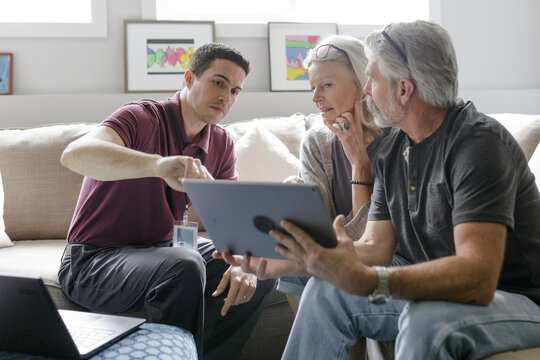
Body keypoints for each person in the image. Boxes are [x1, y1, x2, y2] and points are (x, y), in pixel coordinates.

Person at [221, 21, 540, 359]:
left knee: (426, 320)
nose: (367, 90)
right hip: (440, 293)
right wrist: (283, 263)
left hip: (515, 300)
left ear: (403, 89)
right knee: (327, 291)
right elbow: (374, 248)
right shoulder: (393, 150)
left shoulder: (478, 145)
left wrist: (375, 282)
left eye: (372, 79)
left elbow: (477, 277)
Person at [59, 43, 275, 360]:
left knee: (261, 265)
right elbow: (73, 155)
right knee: (184, 265)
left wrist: (247, 260)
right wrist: (155, 165)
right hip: (93, 260)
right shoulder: (140, 117)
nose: (226, 98)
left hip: (162, 250)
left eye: (235, 91)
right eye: (218, 82)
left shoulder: (221, 142)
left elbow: (232, 220)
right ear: (189, 78)